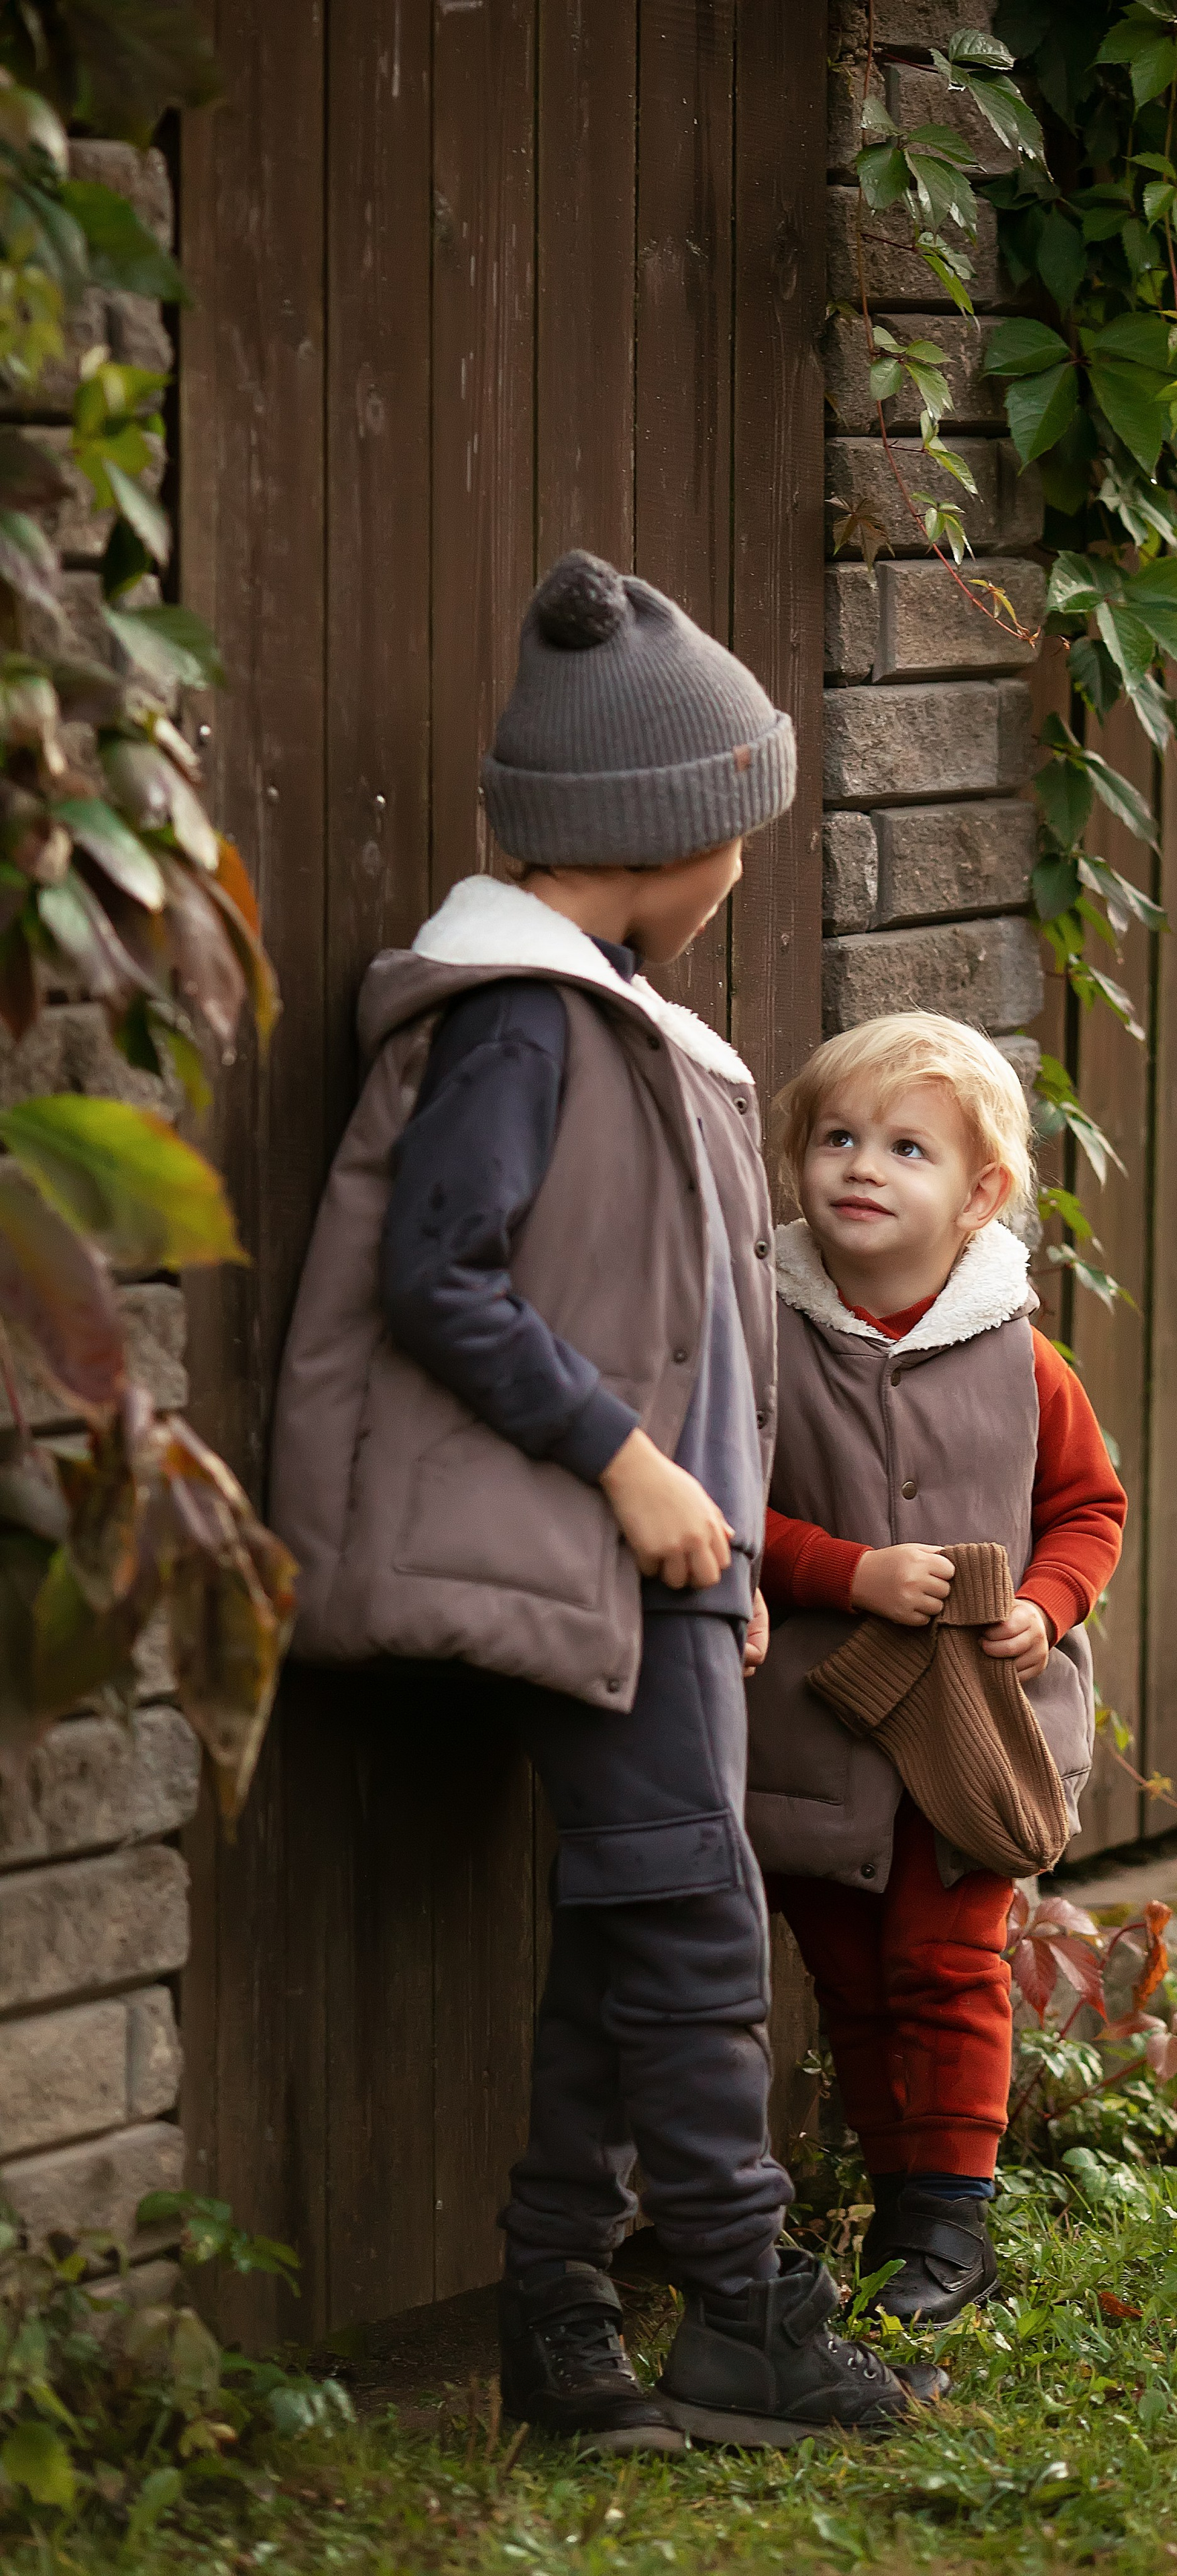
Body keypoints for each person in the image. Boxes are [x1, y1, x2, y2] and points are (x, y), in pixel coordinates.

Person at [270, 551, 923, 2453]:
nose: (742, 868)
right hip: (604, 1555)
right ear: (660, 832)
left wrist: (721, 1532)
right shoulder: (520, 1024)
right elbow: (441, 1280)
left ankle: (561, 2336)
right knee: (699, 1930)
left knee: (643, 1936)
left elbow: (694, 1329)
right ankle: (746, 2308)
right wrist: (635, 1472)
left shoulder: (631, 1032)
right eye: (735, 828)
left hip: (677, 1575)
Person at [747, 1012, 1127, 2324]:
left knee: (949, 1962)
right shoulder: (766, 1338)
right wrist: (840, 1572)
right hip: (819, 1730)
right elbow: (724, 1507)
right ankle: (896, 2194)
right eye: (836, 1139)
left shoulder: (1020, 1358)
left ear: (976, 1197)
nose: (861, 1167)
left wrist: (1043, 1601)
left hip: (975, 1728)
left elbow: (1090, 1507)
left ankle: (951, 2221)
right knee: (851, 1970)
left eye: (904, 1148)